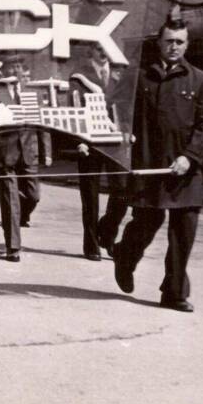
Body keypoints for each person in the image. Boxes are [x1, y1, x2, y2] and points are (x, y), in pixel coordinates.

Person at [112, 19, 203, 313]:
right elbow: (116, 107)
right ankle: (125, 257)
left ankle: (174, 292)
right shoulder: (139, 77)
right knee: (146, 224)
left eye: (180, 42)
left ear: (187, 45)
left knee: (184, 230)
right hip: (149, 165)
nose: (174, 47)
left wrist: (189, 157)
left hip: (185, 169)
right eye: (169, 41)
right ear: (159, 43)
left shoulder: (201, 80)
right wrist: (123, 131)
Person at [71, 43, 130, 261]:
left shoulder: (119, 75)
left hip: (115, 142)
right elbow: (75, 110)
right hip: (90, 142)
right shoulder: (79, 77)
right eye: (98, 48)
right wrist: (80, 140)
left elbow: (125, 108)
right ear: (91, 51)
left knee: (123, 190)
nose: (103, 52)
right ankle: (91, 245)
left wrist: (127, 131)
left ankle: (107, 232)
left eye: (106, 48)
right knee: (90, 196)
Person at [0, 56, 51, 261]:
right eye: (11, 67)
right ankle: (13, 247)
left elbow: (42, 124)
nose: (15, 71)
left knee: (34, 196)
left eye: (18, 67)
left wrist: (46, 151)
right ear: (4, 71)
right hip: (4, 154)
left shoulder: (32, 93)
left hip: (29, 153)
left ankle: (23, 214)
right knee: (9, 203)